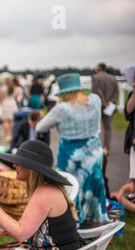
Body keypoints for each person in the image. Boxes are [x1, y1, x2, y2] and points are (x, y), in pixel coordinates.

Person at [36, 73, 109, 227]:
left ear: (63, 92)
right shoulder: (95, 100)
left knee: (69, 190)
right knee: (94, 188)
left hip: (72, 157)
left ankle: (72, 225)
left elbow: (40, 127)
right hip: (95, 153)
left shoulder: (62, 108)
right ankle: (95, 226)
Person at [91, 63, 119, 152]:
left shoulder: (95, 77)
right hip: (109, 106)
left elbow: (96, 91)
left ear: (99, 69)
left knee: (95, 127)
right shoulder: (113, 78)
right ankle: (106, 147)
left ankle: (96, 147)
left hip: (99, 106)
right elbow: (116, 92)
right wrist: (110, 102)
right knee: (108, 128)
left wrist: (103, 102)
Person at [0, 77, 19, 142]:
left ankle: (7, 136)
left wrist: (0, 105)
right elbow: (16, 98)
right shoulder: (15, 88)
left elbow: (1, 98)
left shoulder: (3, 88)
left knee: (6, 121)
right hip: (13, 104)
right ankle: (11, 135)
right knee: (12, 121)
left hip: (6, 104)